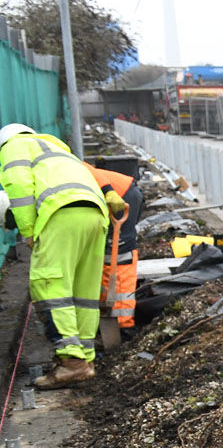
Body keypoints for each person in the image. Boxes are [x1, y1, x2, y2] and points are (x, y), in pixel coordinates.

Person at [0, 123, 113, 388]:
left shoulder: (14, 147)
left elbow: (18, 185)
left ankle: (71, 363)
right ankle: (84, 360)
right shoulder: (56, 149)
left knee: (48, 285)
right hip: (95, 214)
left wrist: (28, 230)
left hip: (60, 212)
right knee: (82, 291)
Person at [85, 162, 143, 332]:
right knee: (106, 258)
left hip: (121, 197)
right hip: (109, 199)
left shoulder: (56, 166)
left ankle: (124, 323)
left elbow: (95, 175)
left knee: (118, 260)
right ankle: (107, 308)